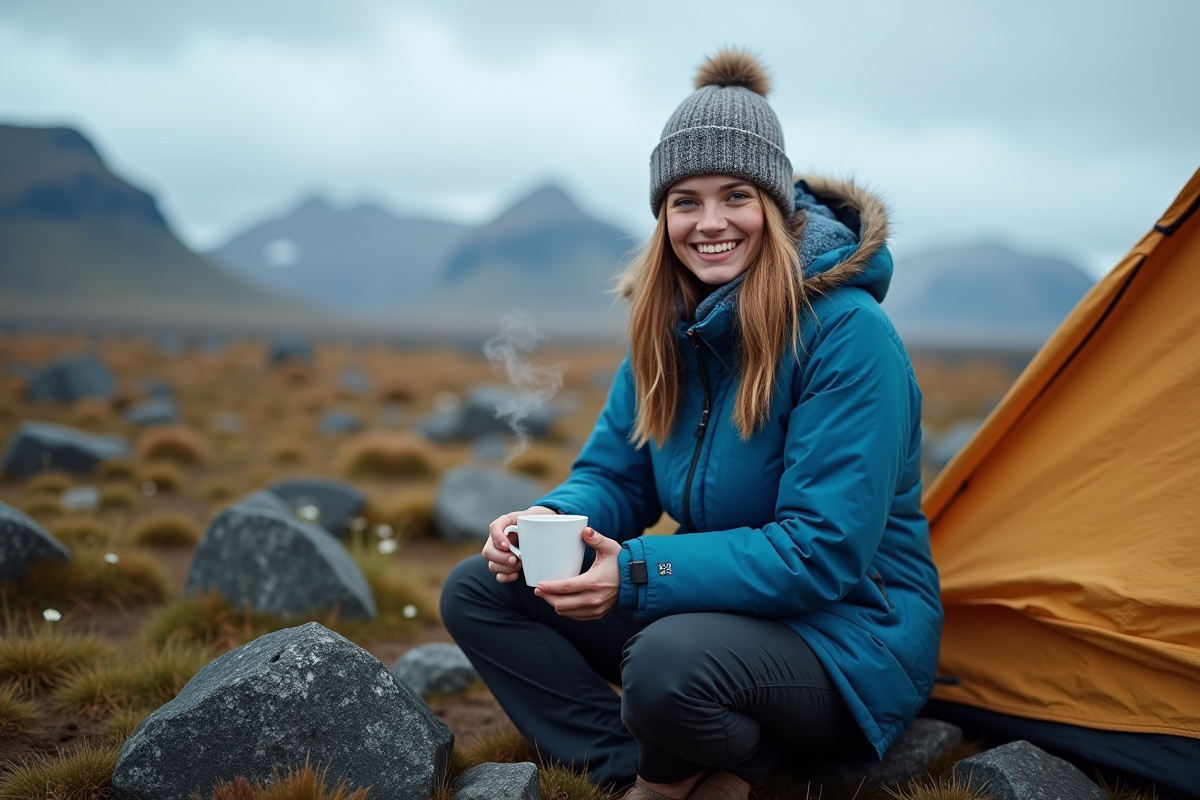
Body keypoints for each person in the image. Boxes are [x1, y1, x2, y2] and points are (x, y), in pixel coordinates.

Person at [440, 49, 942, 800]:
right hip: (719, 613)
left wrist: (638, 573)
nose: (710, 224)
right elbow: (616, 476)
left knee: (666, 663)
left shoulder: (849, 335)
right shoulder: (668, 330)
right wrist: (549, 520)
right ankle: (631, 774)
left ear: (775, 206)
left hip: (848, 637)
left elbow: (821, 551)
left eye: (736, 195)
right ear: (663, 216)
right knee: (482, 589)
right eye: (685, 201)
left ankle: (723, 766)